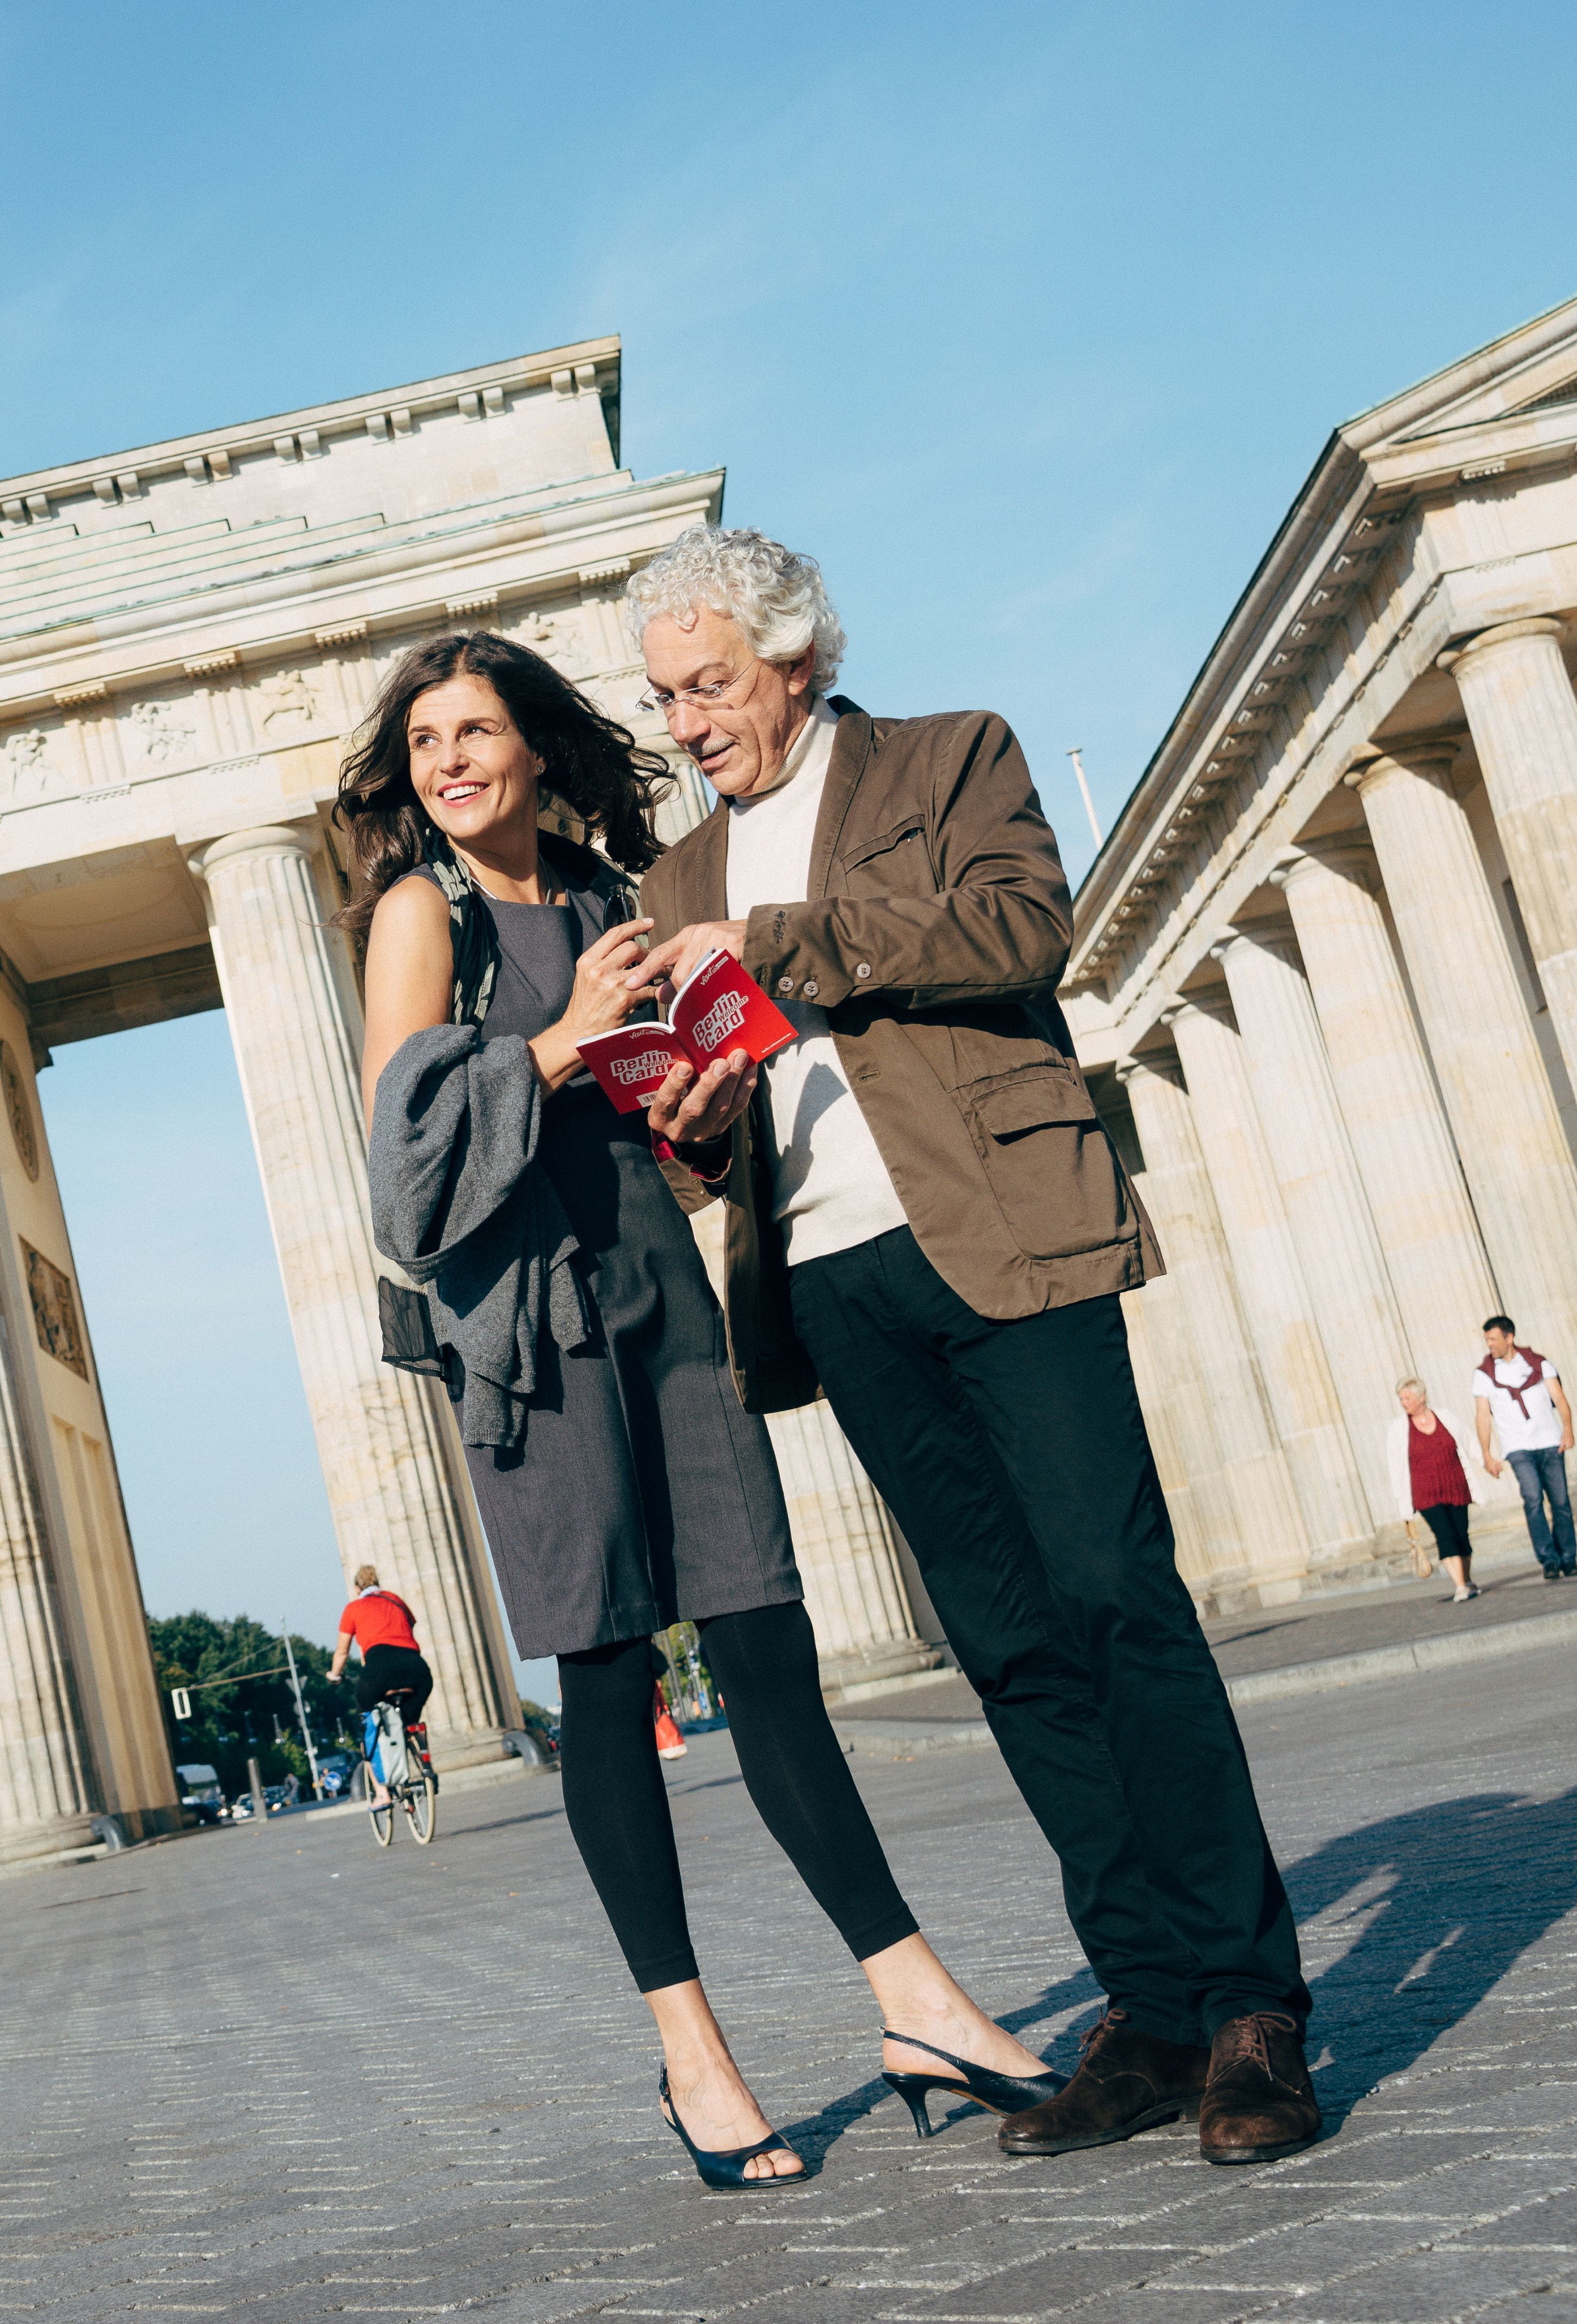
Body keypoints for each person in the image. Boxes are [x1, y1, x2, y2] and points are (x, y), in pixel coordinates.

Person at [618, 525, 1321, 2165]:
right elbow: (687, 1147)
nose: (686, 724)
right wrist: (693, 1119)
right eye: (663, 700)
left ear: (793, 658)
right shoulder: (667, 881)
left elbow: (1018, 932)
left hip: (1009, 1235)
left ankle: (1248, 2008)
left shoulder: (949, 757)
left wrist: (775, 949)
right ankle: (1148, 2007)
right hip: (836, 1280)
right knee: (1006, 1647)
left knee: (1119, 1602)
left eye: (708, 686)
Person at [355, 625, 1055, 2187]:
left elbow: (683, 1128)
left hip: (666, 1299)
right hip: (531, 1330)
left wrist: (701, 1091)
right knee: (606, 1678)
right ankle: (692, 2054)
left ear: (534, 742)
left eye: (475, 731)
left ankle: (912, 1997)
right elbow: (400, 1177)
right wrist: (549, 1041)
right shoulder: (422, 913)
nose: (452, 764)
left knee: (767, 1646)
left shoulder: (619, 895)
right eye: (424, 747)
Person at [1469, 1314, 1577, 1581]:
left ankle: (1569, 1558)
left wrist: (1568, 1429)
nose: (1490, 1345)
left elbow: (1559, 1397)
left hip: (1549, 1441)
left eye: (1493, 1339)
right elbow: (1483, 1416)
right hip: (1518, 1447)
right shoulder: (1485, 1374)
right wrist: (1487, 1454)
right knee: (1533, 1500)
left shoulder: (1538, 1364)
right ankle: (1549, 1560)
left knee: (1561, 1501)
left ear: (1510, 1338)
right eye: (1487, 1340)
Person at [328, 1566, 435, 1787]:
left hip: (379, 1671)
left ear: (358, 1588)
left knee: (367, 1724)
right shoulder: (396, 1600)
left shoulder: (353, 1609)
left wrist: (333, 1675)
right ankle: (425, 1765)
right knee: (409, 1722)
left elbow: (342, 1652)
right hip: (416, 1668)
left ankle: (382, 1792)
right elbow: (409, 1628)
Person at [1387, 1379, 1477, 1603]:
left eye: (1407, 1398)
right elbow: (1396, 1467)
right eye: (1401, 1399)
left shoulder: (1445, 1417)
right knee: (1445, 1535)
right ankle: (1459, 1586)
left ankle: (1466, 1580)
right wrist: (1403, 1504)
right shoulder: (1399, 1429)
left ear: (1422, 1397)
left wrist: (1487, 1462)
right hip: (1425, 1494)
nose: (1404, 1403)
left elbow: (1467, 1441)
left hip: (1455, 1486)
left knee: (1461, 1535)